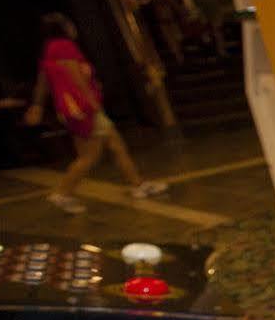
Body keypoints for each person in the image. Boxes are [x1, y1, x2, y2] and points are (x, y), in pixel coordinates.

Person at [23, 14, 167, 213]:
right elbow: (77, 78)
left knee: (116, 146)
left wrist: (37, 105)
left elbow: (43, 82)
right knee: (89, 156)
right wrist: (93, 103)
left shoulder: (48, 50)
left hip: (71, 110)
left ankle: (137, 184)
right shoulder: (65, 47)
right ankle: (62, 193)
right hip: (85, 110)